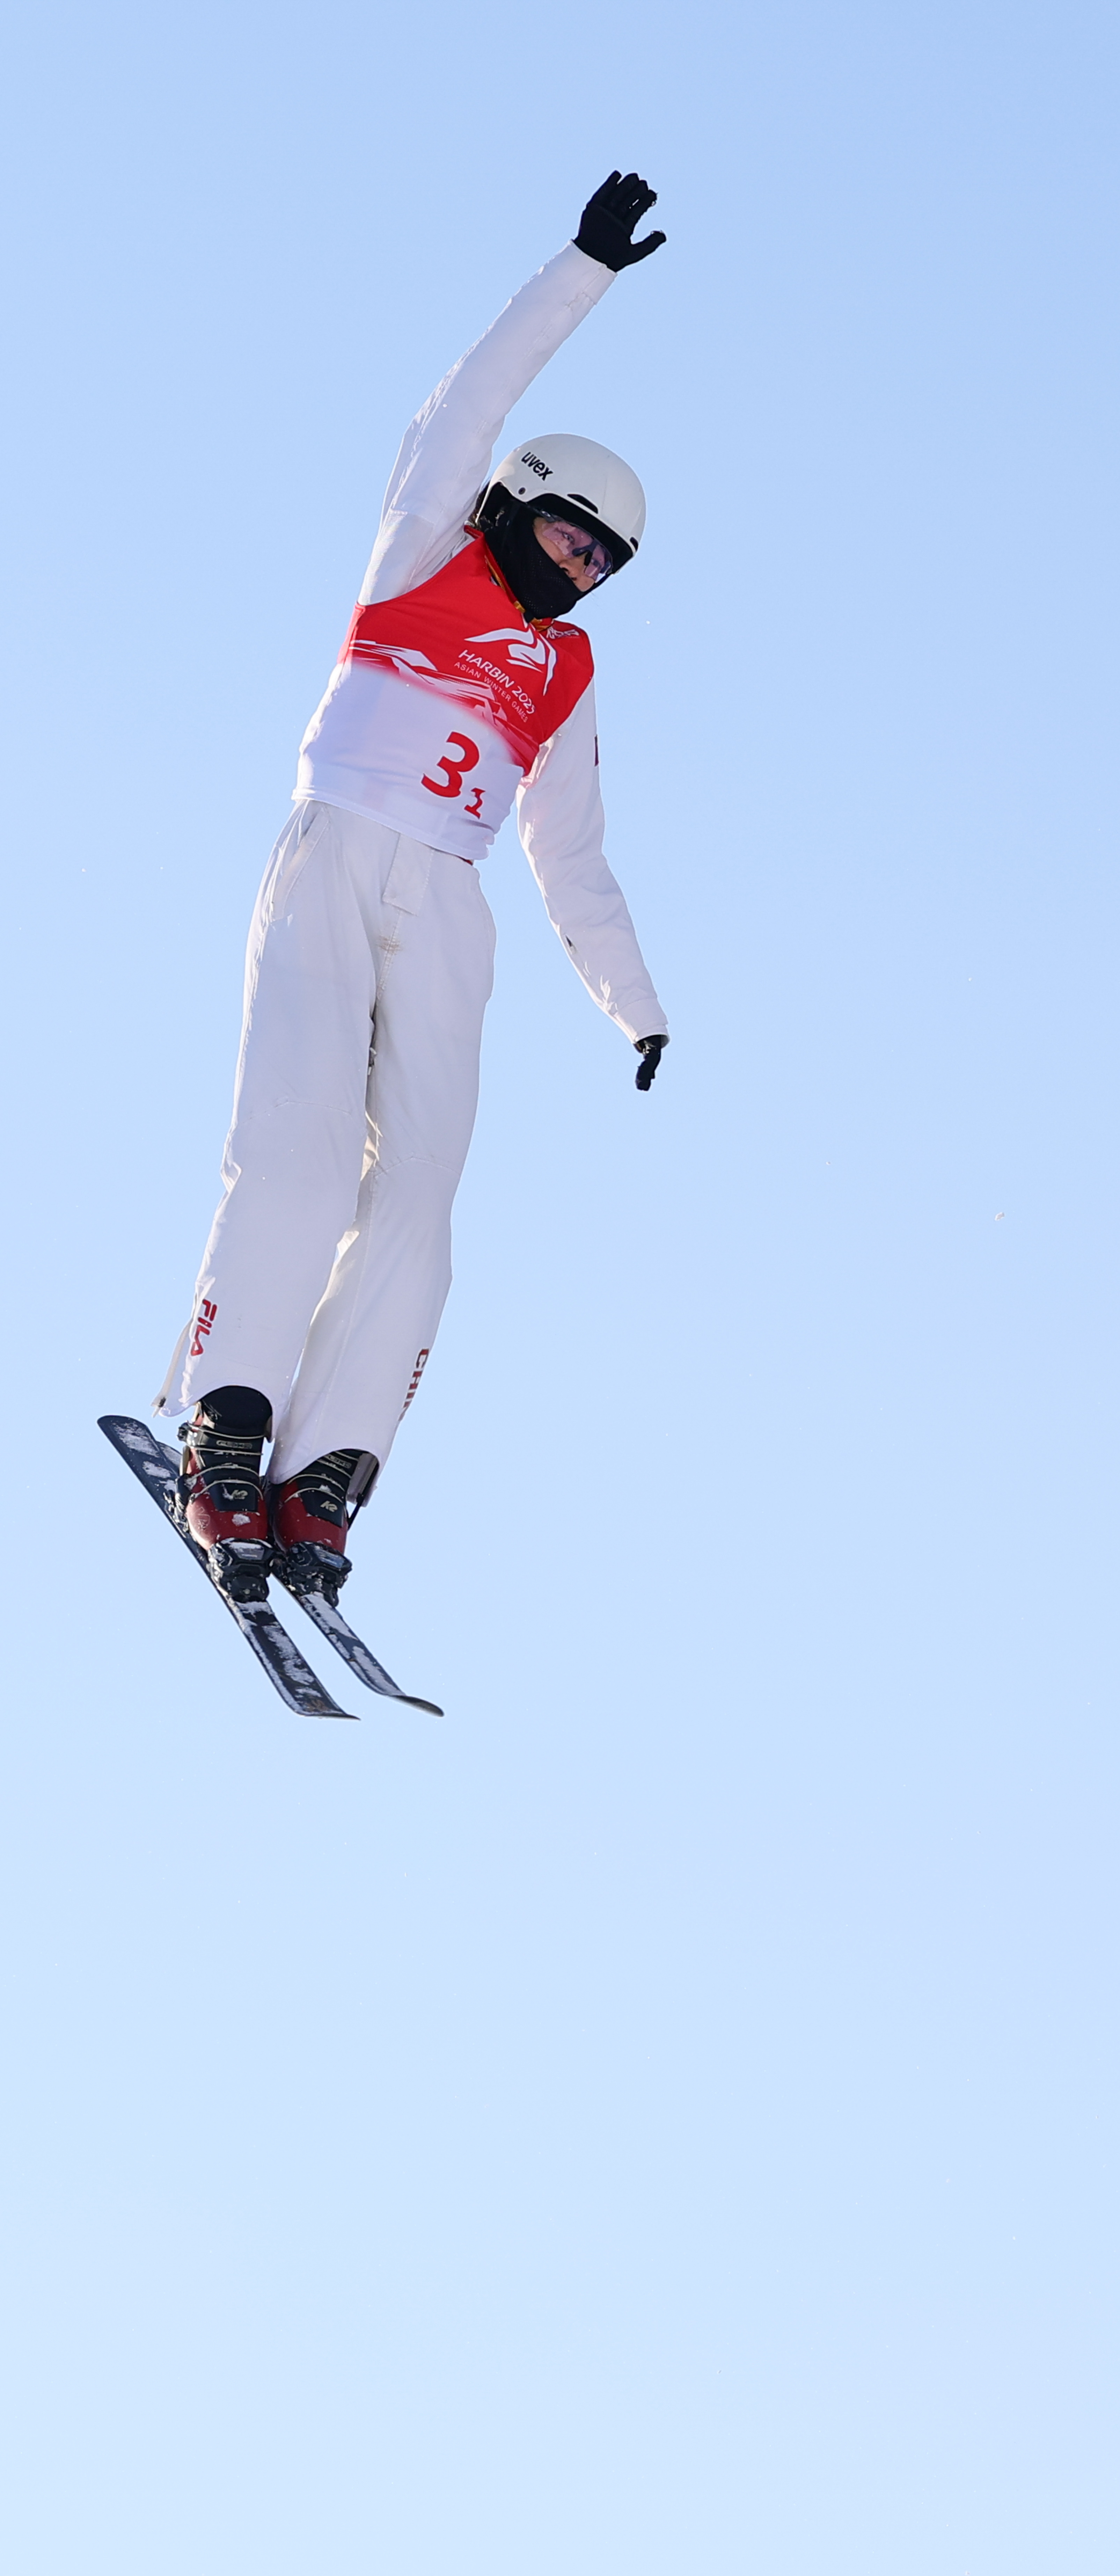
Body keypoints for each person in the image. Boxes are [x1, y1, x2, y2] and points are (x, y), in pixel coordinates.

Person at [154, 170, 672, 1602]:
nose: (585, 573)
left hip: (448, 901)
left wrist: (634, 1003)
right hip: (337, 852)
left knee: (424, 1197)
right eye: (577, 538)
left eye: (607, 566)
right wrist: (582, 268)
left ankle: (329, 1473)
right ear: (523, 502)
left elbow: (571, 849)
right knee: (302, 1152)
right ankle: (228, 1422)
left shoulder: (564, 672)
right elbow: (469, 395)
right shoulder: (427, 544)